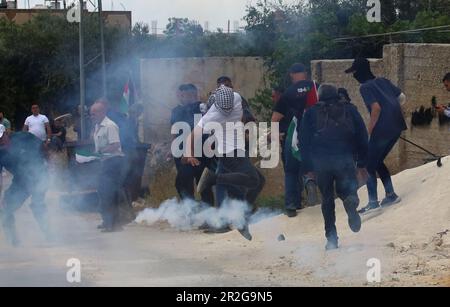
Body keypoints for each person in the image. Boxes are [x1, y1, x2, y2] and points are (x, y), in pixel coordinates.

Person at [186, 85, 263, 240]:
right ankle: (213, 180)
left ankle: (241, 222)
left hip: (238, 150)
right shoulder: (212, 115)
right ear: (216, 105)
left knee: (241, 189)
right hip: (228, 154)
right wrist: (189, 154)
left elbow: (243, 115)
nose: (227, 112)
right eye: (223, 109)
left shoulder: (237, 98)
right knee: (255, 181)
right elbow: (192, 135)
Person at [300, 84, 369, 250]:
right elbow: (362, 134)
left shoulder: (311, 112)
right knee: (347, 189)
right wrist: (361, 162)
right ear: (337, 95)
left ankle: (331, 239)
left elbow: (303, 140)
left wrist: (307, 166)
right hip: (345, 158)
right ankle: (350, 201)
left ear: (320, 97)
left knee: (327, 199)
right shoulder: (349, 109)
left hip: (321, 162)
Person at [345, 57, 407, 214]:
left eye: (354, 72)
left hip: (381, 130)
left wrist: (370, 130)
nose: (354, 76)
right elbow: (401, 98)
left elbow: (376, 108)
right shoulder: (383, 81)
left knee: (367, 165)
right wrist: (391, 114)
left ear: (359, 72)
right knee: (377, 161)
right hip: (397, 126)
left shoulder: (365, 87)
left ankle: (373, 203)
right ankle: (391, 195)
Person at [272, 63, 319, 217]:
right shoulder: (316, 87)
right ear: (305, 73)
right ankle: (313, 184)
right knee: (319, 164)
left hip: (296, 134)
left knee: (291, 171)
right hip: (317, 134)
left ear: (292, 75)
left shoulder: (288, 93)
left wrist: (275, 135)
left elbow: (275, 118)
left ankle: (292, 205)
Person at [0, 124, 51, 246]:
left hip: (39, 175)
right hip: (21, 181)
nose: (0, 142)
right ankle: (13, 240)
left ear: (6, 134)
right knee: (6, 208)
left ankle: (50, 234)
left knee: (37, 205)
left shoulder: (23, 137)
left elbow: (43, 147)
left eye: (1, 138)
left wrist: (48, 163)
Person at [170, 84, 214, 205]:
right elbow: (174, 131)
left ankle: (208, 212)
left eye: (187, 94)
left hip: (202, 152)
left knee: (203, 183)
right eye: (181, 95)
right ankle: (189, 209)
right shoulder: (176, 111)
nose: (183, 97)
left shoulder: (202, 108)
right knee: (182, 183)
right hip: (182, 153)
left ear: (193, 94)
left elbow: (210, 128)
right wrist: (173, 149)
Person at [90, 99, 125, 232]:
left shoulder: (110, 125)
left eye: (94, 113)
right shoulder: (97, 126)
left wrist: (100, 151)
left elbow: (115, 145)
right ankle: (108, 221)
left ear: (103, 112)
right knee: (103, 192)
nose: (92, 116)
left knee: (108, 193)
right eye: (91, 113)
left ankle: (112, 224)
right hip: (104, 162)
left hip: (114, 162)